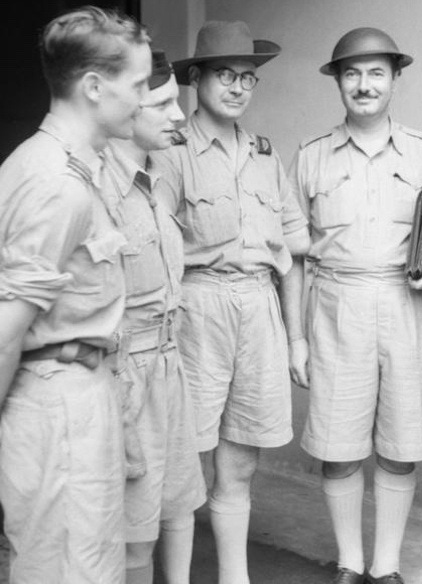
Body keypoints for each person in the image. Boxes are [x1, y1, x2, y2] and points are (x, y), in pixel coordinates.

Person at [286, 27, 422, 584]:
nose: (365, 85)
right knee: (339, 447)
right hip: (336, 305)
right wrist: (295, 337)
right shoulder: (311, 156)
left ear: (394, 80)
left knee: (400, 444)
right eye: (353, 74)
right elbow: (292, 254)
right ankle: (349, 563)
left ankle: (385, 568)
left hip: (404, 306)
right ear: (338, 82)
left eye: (376, 73)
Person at [154, 21, 310, 584]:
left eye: (248, 77)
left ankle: (233, 577)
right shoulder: (171, 153)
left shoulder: (268, 156)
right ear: (196, 79)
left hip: (259, 310)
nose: (239, 87)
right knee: (183, 464)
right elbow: (158, 253)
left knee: (241, 459)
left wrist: (296, 337)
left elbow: (292, 256)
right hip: (196, 310)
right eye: (225, 74)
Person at [0, 7, 151, 583]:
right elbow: (6, 332)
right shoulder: (54, 184)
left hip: (79, 396)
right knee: (68, 569)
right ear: (94, 86)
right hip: (55, 406)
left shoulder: (76, 168)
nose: (142, 99)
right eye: (137, 85)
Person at [102, 49, 206, 584]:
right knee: (132, 544)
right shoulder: (96, 190)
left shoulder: (150, 181)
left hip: (167, 369)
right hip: (125, 380)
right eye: (164, 103)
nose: (179, 115)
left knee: (171, 513)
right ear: (126, 108)